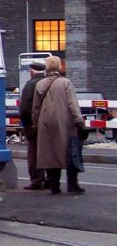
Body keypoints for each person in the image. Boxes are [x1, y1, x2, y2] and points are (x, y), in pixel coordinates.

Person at [31, 55, 84, 195]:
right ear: (59, 67)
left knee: (50, 153)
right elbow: (73, 105)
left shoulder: (40, 84)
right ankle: (73, 185)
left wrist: (35, 124)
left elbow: (35, 108)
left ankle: (54, 185)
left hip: (45, 122)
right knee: (69, 152)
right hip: (64, 122)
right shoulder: (65, 83)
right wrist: (79, 122)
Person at [19, 61, 47, 190]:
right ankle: (51, 179)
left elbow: (24, 108)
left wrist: (26, 126)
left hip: (34, 124)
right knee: (48, 152)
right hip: (49, 123)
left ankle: (37, 180)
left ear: (31, 72)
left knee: (34, 153)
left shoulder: (30, 85)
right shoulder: (49, 83)